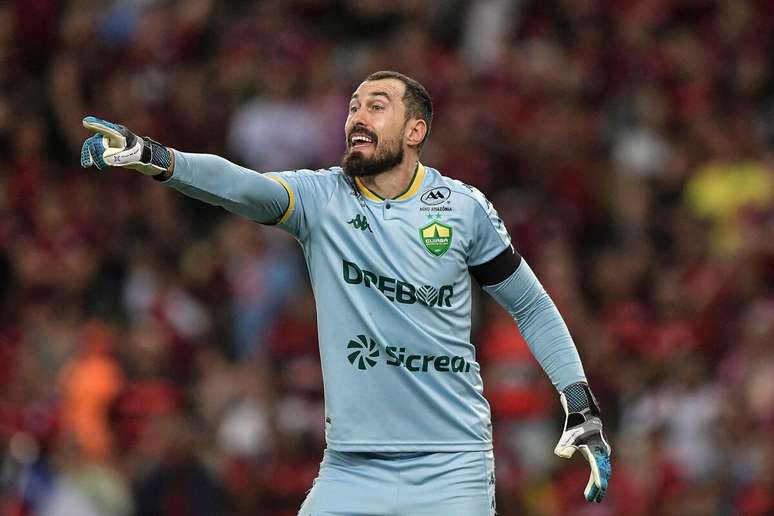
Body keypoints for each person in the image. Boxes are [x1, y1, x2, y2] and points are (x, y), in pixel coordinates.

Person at [80, 70, 611, 515]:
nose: (357, 116)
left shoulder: (461, 208)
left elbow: (530, 304)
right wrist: (156, 157)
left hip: (452, 465)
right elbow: (242, 186)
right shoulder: (321, 198)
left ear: (414, 130)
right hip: (351, 467)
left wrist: (579, 402)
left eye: (377, 106)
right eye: (353, 106)